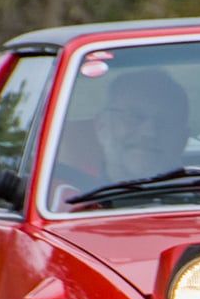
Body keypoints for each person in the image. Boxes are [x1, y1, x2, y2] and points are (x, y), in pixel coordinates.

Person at [50, 68, 190, 209]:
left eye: (166, 121)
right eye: (134, 116)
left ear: (183, 139)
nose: (149, 132)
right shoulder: (55, 198)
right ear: (101, 126)